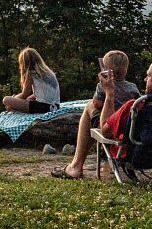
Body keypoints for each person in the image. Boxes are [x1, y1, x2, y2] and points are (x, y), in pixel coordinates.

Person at [52, 50, 141, 179]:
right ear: (125, 70)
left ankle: (76, 166)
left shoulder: (102, 86)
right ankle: (104, 165)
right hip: (129, 129)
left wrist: (108, 94)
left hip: (113, 129)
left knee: (89, 105)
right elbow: (136, 105)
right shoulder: (133, 87)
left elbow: (97, 103)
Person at [101, 57, 152, 151]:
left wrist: (109, 94)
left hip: (141, 158)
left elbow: (105, 132)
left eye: (148, 76)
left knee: (91, 107)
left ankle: (80, 164)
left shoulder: (135, 107)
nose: (145, 79)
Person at [1, 47, 61, 113]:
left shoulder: (31, 74)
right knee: (29, 98)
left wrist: (14, 98)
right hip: (56, 106)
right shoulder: (48, 72)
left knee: (6, 100)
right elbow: (44, 94)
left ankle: (13, 108)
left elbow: (24, 94)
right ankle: (14, 108)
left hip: (43, 107)